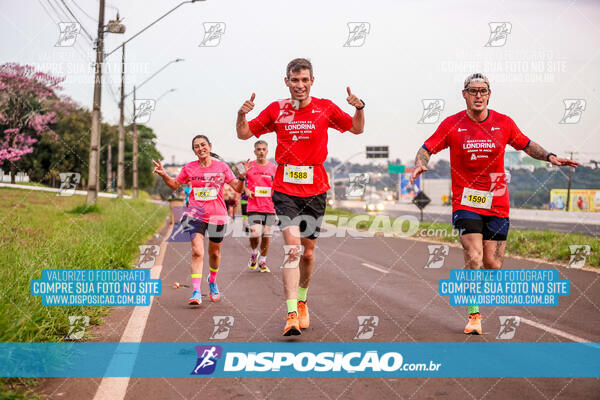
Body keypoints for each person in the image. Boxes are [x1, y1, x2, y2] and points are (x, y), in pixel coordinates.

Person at [410, 73, 579, 335]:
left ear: (490, 94)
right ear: (464, 94)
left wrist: (550, 157)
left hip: (497, 201)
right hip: (466, 201)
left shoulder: (504, 123)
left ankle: (476, 288)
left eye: (483, 90)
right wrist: (421, 162)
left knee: (493, 264)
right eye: (473, 90)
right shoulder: (452, 125)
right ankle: (474, 315)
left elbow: (526, 144)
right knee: (474, 256)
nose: (478, 95)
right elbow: (427, 147)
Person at [236, 58, 365, 336]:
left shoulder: (325, 108)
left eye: (305, 80)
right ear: (287, 82)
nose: (300, 85)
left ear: (312, 81)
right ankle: (291, 312)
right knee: (292, 247)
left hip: (316, 188)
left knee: (308, 252)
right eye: (295, 80)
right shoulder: (276, 109)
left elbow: (357, 128)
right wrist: (241, 114)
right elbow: (244, 133)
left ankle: (303, 300)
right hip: (284, 189)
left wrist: (359, 108)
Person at [153, 135, 246, 305]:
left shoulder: (222, 167)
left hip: (217, 215)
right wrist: (164, 174)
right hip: (195, 214)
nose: (201, 148)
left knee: (214, 252)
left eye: (203, 145)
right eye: (196, 146)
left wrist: (242, 177)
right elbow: (174, 184)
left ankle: (212, 280)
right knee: (197, 251)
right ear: (194, 150)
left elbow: (237, 188)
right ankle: (196, 291)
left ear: (210, 146)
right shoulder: (189, 168)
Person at [244, 140, 277, 273]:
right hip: (254, 205)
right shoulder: (249, 166)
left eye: (264, 149)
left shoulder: (274, 168)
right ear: (254, 152)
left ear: (267, 152)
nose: (261, 151)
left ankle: (262, 260)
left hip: (269, 206)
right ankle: (253, 253)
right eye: (258, 149)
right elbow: (238, 182)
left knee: (266, 235)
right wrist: (245, 190)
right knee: (255, 233)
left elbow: (279, 186)